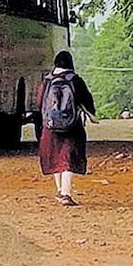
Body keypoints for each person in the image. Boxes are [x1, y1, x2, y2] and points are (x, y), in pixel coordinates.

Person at [37, 51, 96, 206]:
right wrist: (92, 115)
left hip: (51, 127)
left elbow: (39, 102)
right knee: (68, 159)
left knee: (55, 158)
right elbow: (86, 99)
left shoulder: (47, 81)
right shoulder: (75, 80)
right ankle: (66, 194)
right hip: (72, 126)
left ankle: (60, 191)